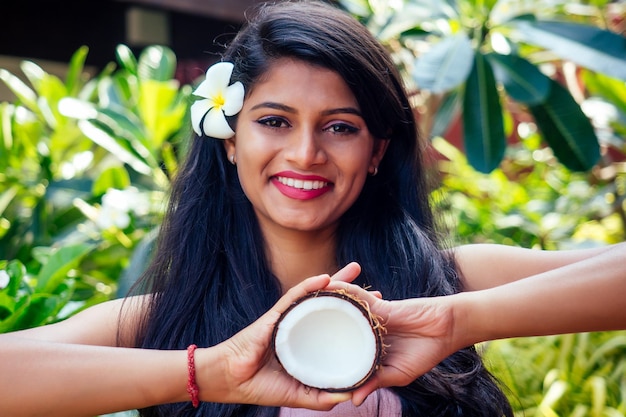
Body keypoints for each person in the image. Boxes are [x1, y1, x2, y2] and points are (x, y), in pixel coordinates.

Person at [0, 1, 624, 416]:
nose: (305, 153)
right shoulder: (170, 318)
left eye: (340, 128)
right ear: (229, 139)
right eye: (273, 121)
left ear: (377, 150)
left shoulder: (449, 282)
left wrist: (459, 322)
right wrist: (208, 372)